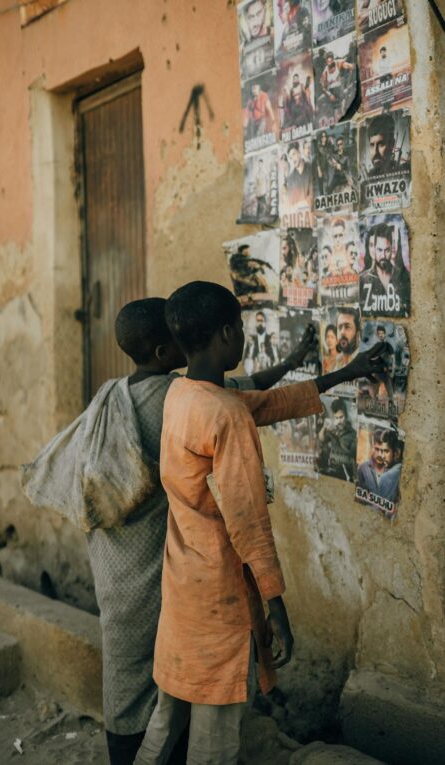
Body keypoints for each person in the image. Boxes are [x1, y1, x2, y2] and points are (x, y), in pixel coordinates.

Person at [22, 297, 315, 765]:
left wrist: (298, 365)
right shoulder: (181, 399)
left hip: (116, 563)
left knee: (144, 685)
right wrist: (273, 599)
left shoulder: (115, 393)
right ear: (164, 352)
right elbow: (247, 399)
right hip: (164, 572)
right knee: (184, 697)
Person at [133, 281, 389, 765]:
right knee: (213, 743)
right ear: (228, 333)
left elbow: (266, 405)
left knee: (165, 725)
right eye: (243, 328)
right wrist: (278, 610)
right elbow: (248, 524)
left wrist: (344, 374)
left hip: (183, 593)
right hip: (220, 602)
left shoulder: (181, 395)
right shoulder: (224, 413)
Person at [360, 222, 410, 315]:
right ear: (373, 250)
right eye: (379, 250)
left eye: (387, 250)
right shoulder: (363, 279)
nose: (383, 255)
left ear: (392, 249)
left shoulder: (403, 277)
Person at [357, 428, 401, 503]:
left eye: (385, 450)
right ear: (372, 447)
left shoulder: (393, 471)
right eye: (377, 449)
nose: (380, 455)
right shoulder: (363, 468)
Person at [317, 397, 357, 480]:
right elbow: (321, 439)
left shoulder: (353, 434)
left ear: (346, 415)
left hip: (346, 476)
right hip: (331, 471)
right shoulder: (334, 429)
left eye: (341, 417)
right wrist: (324, 427)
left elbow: (349, 453)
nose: (339, 421)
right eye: (336, 418)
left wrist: (335, 436)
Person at [366, 113, 405, 177]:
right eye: (372, 145)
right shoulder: (368, 177)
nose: (375, 152)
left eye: (381, 144)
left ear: (392, 144)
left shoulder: (402, 174)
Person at [285, 141, 313, 206]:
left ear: (299, 153)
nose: (293, 159)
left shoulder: (311, 168)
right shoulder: (291, 179)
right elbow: (291, 202)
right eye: (290, 158)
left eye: (294, 154)